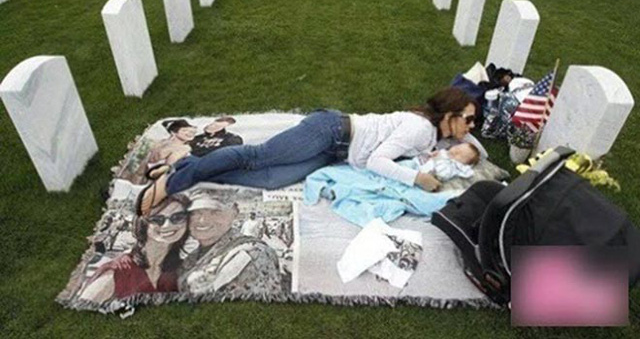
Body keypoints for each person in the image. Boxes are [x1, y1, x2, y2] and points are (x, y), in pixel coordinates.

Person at [138, 87, 478, 215]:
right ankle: (172, 183)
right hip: (329, 131)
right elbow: (377, 161)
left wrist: (461, 148)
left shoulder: (434, 136)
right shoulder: (420, 128)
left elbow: (474, 150)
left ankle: (189, 165)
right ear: (450, 116)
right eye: (469, 119)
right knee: (256, 156)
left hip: (335, 152)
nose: (472, 128)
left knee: (270, 180)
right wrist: (416, 179)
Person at [79, 194, 191, 302]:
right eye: (157, 219)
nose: (168, 225)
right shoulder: (119, 271)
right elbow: (80, 310)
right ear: (143, 223)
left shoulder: (180, 270)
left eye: (178, 217)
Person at [178, 196, 282, 297]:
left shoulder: (251, 255)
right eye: (195, 213)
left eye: (215, 212)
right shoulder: (194, 255)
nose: (203, 220)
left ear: (234, 213)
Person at [416, 142, 481, 182]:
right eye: (457, 148)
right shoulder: (444, 152)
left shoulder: (453, 167)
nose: (455, 151)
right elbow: (428, 155)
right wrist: (432, 155)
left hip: (428, 174)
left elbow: (444, 174)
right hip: (419, 163)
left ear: (463, 164)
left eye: (460, 154)